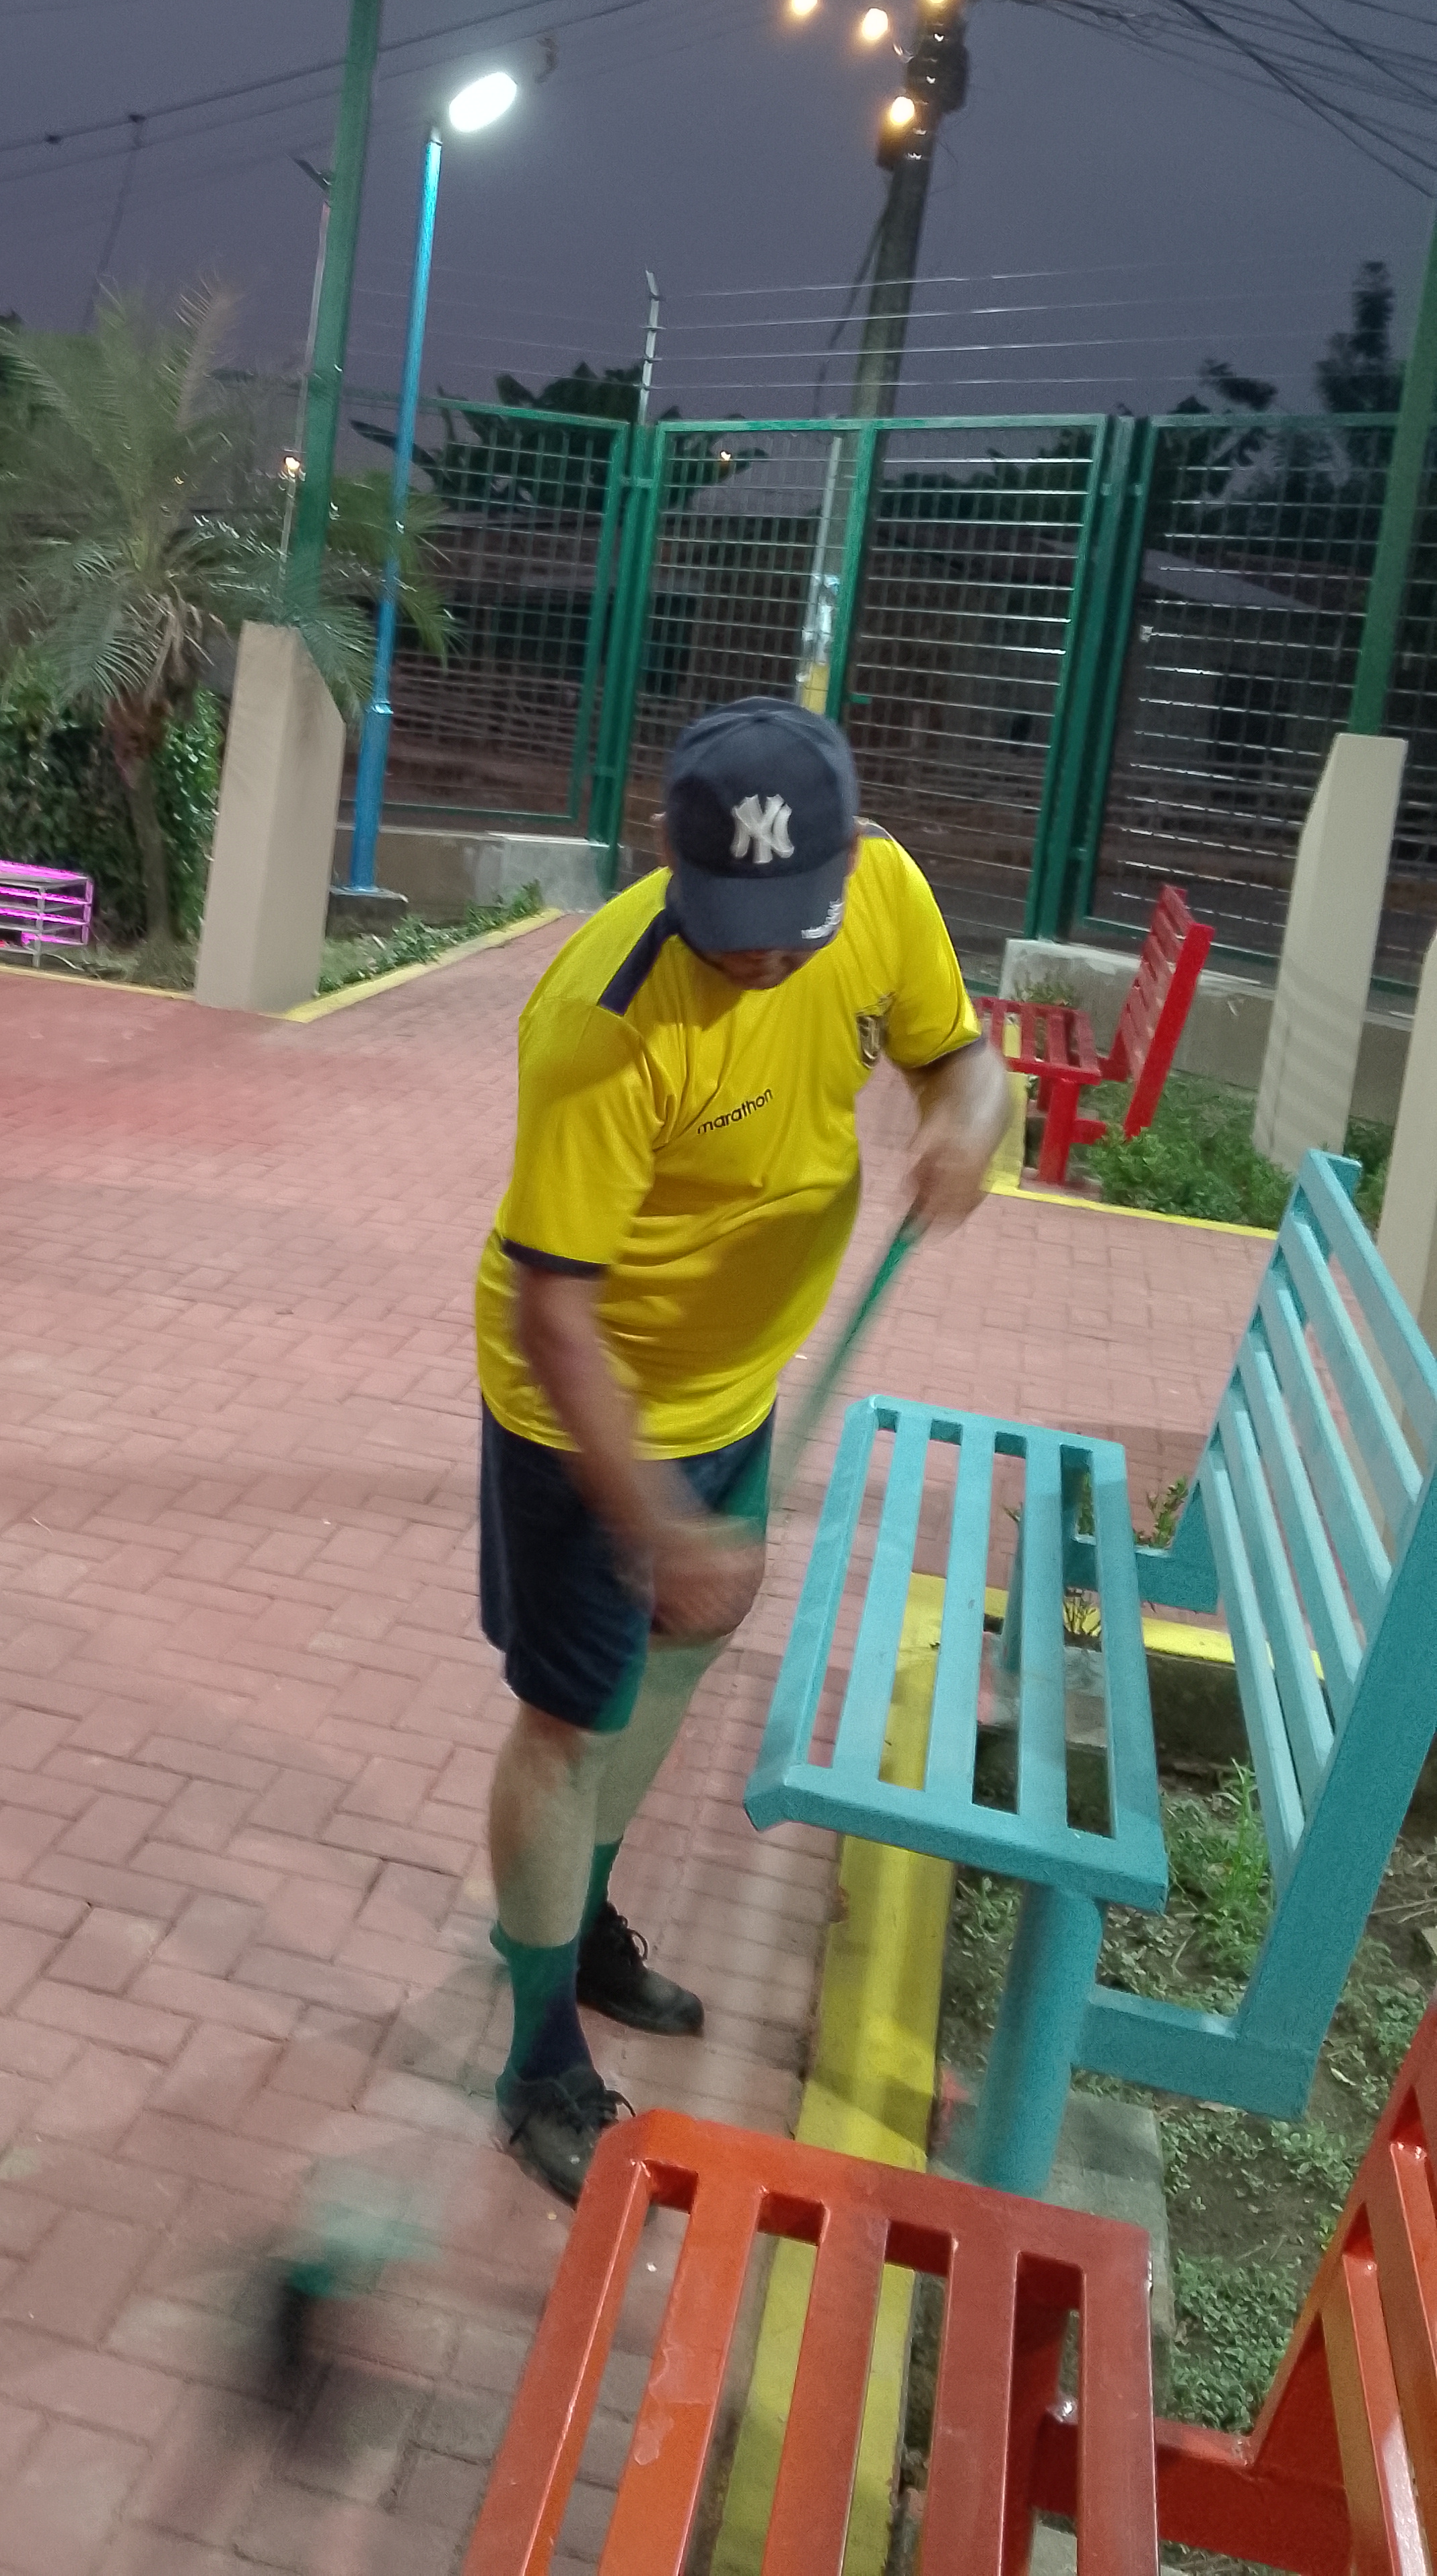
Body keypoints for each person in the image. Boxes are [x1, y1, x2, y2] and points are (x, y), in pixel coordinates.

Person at [474, 698, 1009, 2198]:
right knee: (568, 1721)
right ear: (671, 860)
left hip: (737, 1386)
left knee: (682, 1652)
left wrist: (968, 1118)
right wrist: (659, 1522)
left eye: (792, 926)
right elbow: (557, 1320)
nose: (764, 958)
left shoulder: (886, 893)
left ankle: (571, 1919)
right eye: (732, 928)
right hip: (590, 1409)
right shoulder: (604, 1020)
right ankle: (534, 2060)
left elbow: (962, 1061)